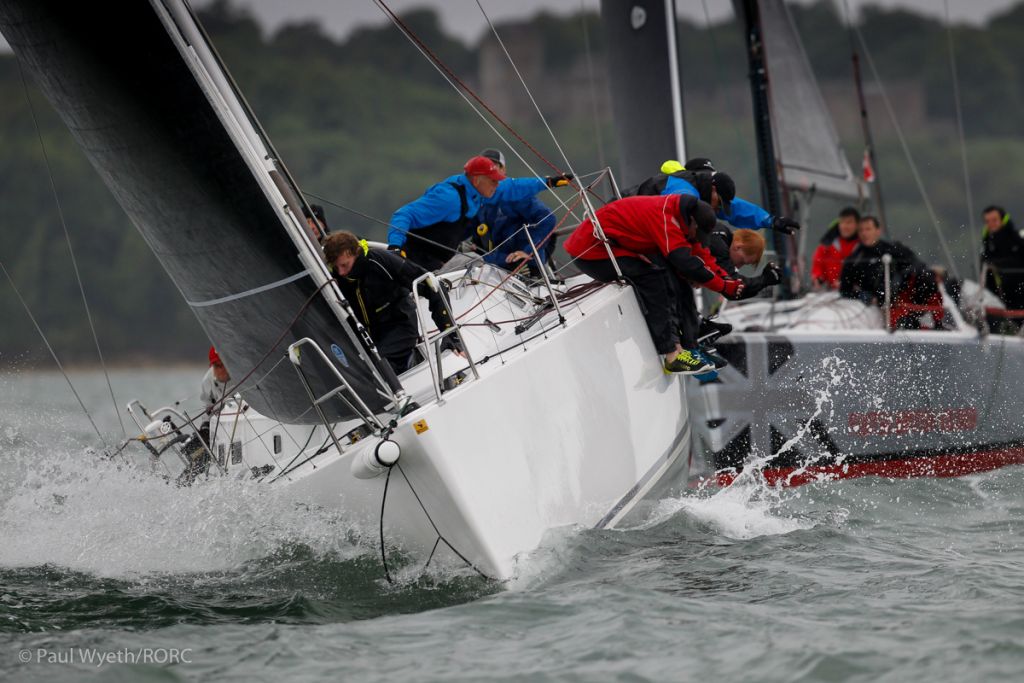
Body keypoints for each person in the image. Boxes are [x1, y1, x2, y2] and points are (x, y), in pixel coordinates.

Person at [563, 194, 745, 374]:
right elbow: (685, 262)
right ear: (692, 222)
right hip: (592, 251)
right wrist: (721, 286)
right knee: (654, 279)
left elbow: (700, 254)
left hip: (616, 246)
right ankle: (673, 354)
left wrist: (726, 281)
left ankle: (690, 347)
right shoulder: (666, 218)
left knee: (675, 277)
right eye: (697, 233)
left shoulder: (683, 218)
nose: (696, 238)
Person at [324, 231, 462, 374]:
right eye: (336, 267)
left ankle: (411, 360)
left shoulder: (380, 261)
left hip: (400, 327)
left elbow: (431, 285)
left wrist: (450, 333)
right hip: (368, 340)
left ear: (356, 253)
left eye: (344, 265)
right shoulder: (336, 280)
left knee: (377, 369)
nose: (340, 272)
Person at [623, 160, 801, 234]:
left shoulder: (703, 193)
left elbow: (737, 209)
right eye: (719, 203)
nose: (718, 209)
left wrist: (771, 221)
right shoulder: (684, 191)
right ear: (713, 188)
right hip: (623, 224)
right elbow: (679, 216)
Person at [473, 147, 569, 272]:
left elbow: (548, 219)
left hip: (526, 266)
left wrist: (527, 252)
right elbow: (478, 239)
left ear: (503, 170)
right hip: (497, 267)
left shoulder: (515, 195)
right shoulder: (477, 201)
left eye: (493, 166)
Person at [839, 216, 941, 329]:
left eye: (868, 229)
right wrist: (862, 295)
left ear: (878, 231)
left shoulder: (894, 249)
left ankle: (938, 323)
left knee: (927, 277)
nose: (864, 233)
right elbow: (845, 290)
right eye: (861, 230)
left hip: (904, 295)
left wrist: (901, 278)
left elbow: (917, 265)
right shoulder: (854, 260)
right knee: (905, 324)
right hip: (885, 304)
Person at [179, 347, 230, 486]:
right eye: (217, 366)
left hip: (239, 422)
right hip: (220, 427)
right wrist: (205, 428)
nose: (221, 370)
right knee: (199, 455)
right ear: (212, 366)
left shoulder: (243, 374)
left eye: (224, 365)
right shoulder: (207, 380)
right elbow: (208, 407)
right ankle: (181, 484)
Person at [707, 226, 782, 299]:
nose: (738, 267)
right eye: (742, 262)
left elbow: (733, 291)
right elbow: (734, 286)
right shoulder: (719, 247)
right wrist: (765, 279)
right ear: (738, 247)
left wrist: (764, 281)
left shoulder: (720, 233)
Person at [980, 205, 1024, 311]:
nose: (991, 224)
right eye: (987, 221)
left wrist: (996, 264)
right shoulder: (987, 241)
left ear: (1003, 220)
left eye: (994, 220)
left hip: (1017, 288)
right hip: (996, 291)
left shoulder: (1015, 238)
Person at [811, 206, 861, 289]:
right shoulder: (827, 244)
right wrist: (817, 278)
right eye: (842, 222)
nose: (845, 226)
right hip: (831, 293)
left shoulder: (864, 244)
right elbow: (818, 264)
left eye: (849, 222)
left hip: (859, 294)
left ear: (857, 224)